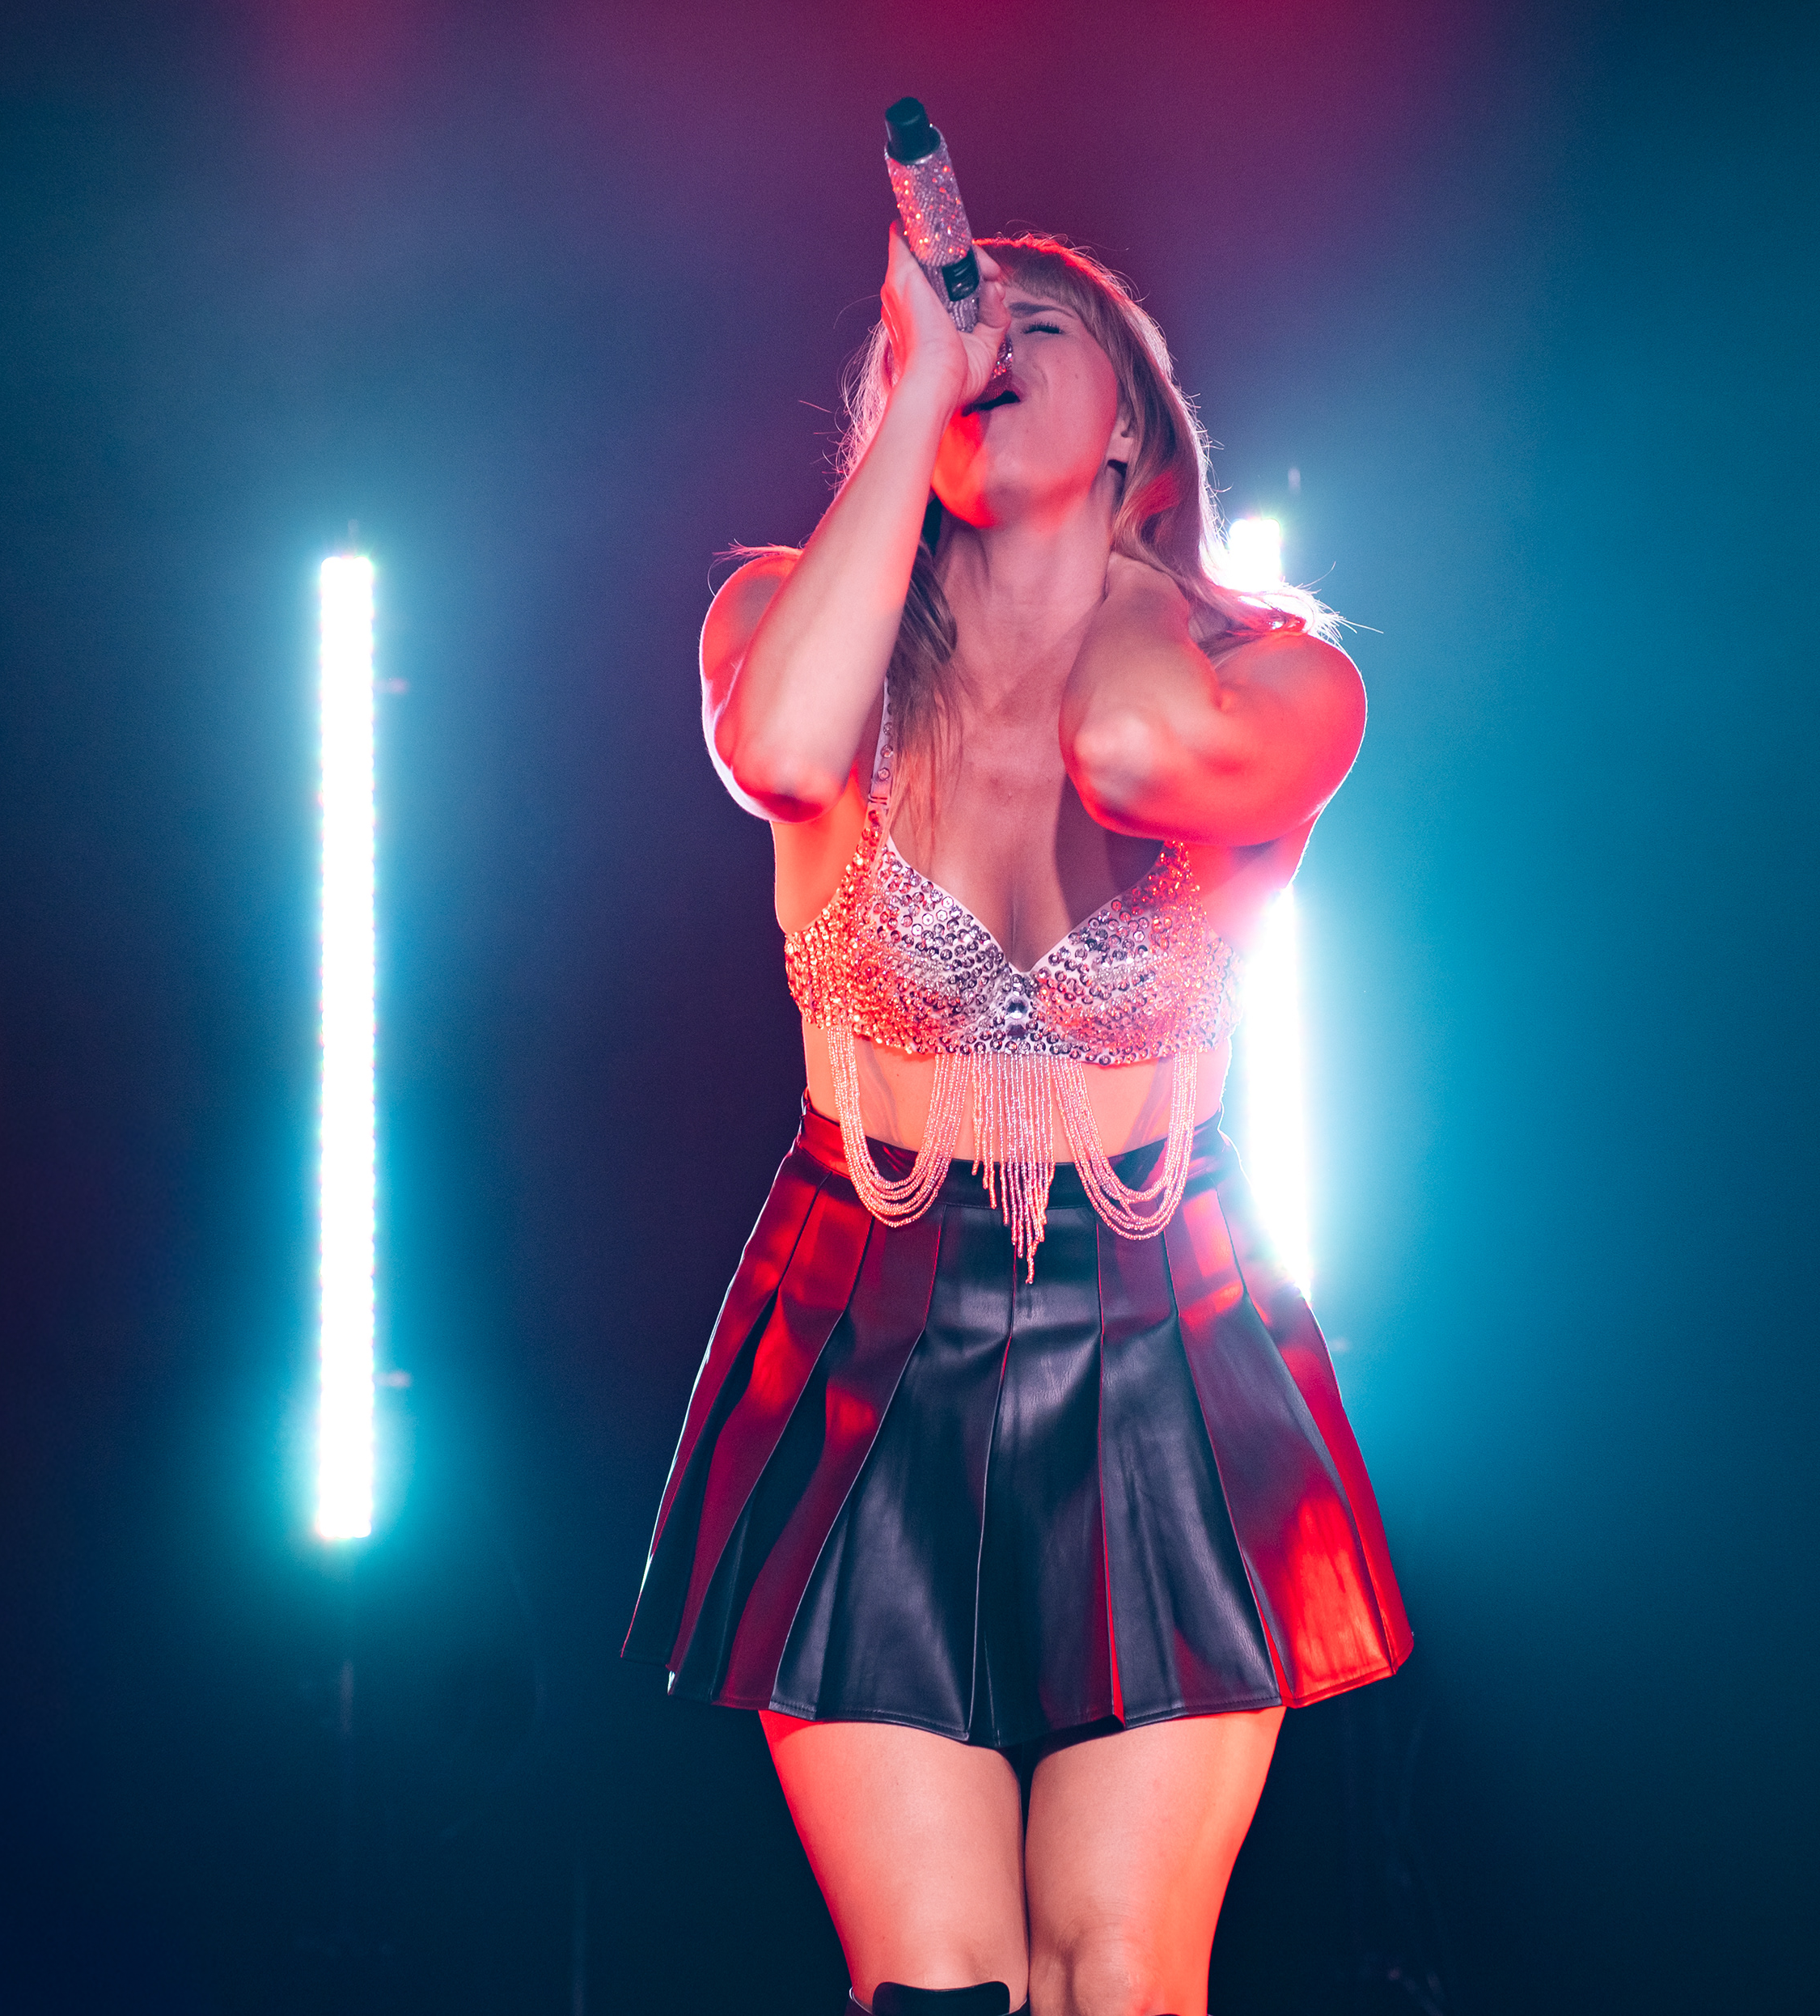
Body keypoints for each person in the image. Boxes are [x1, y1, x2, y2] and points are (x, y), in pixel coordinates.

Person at [623, 223, 1409, 2016]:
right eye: (956, 320)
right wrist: (921, 404)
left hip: (1170, 1327)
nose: (989, 340)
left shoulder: (1280, 681)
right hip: (858, 1320)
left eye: (1037, 324)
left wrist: (1118, 572)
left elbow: (1128, 757)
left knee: (1116, 1975)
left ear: (1135, 423)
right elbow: (781, 756)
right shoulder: (786, 619)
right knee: (939, 1984)